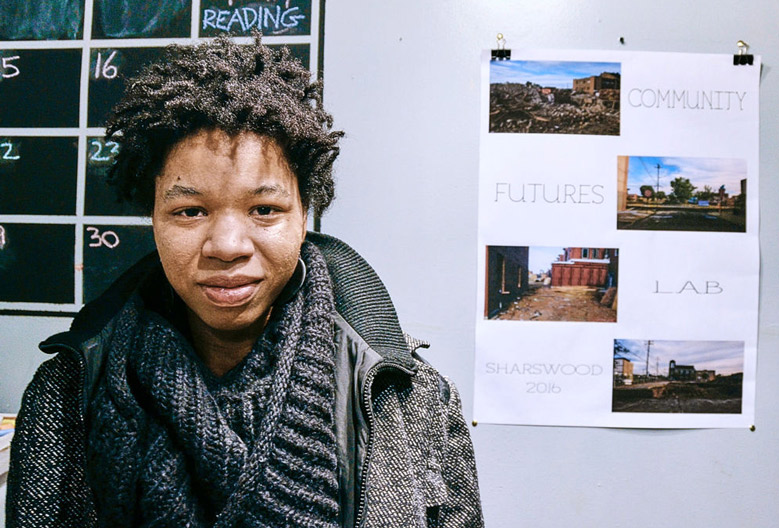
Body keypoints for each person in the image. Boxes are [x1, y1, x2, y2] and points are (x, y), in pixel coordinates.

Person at [7, 34, 483, 528]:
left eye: (264, 210)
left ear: (304, 217)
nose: (228, 245)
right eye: (190, 210)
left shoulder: (407, 396)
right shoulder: (67, 393)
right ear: (153, 217)